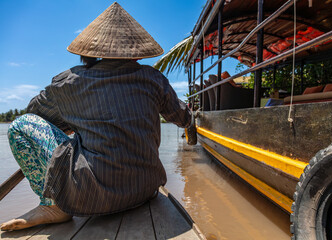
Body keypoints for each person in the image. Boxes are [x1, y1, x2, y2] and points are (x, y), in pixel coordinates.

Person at [1, 2, 191, 231]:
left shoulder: (70, 82)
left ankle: (53, 206)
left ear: (94, 53)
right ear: (135, 53)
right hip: (145, 190)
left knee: (20, 126)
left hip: (91, 196)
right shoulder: (153, 79)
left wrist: (74, 120)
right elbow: (184, 118)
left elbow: (34, 113)